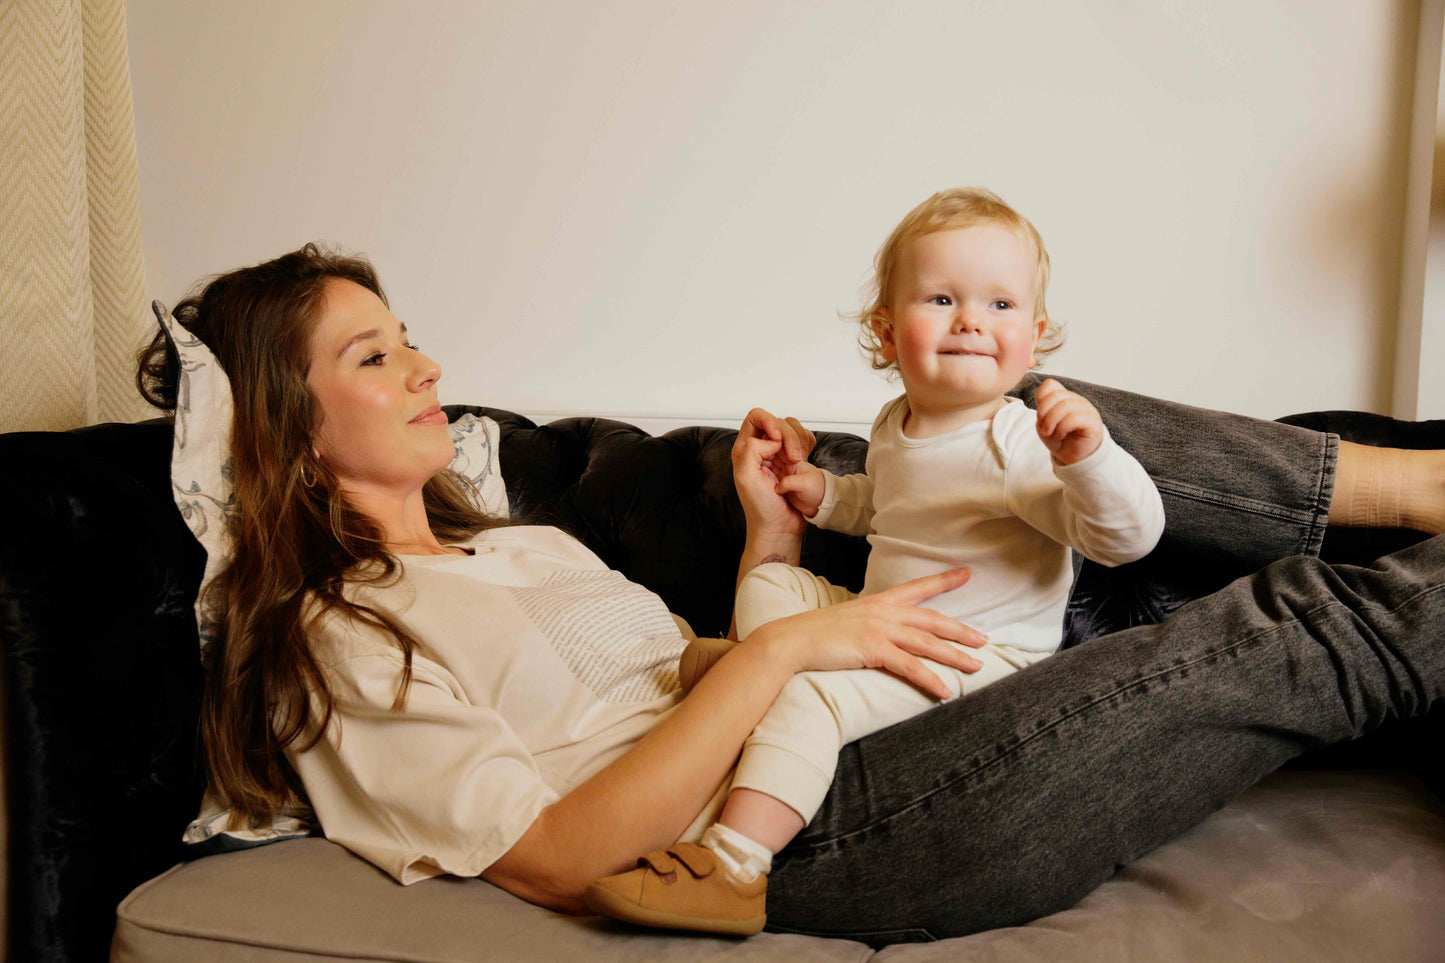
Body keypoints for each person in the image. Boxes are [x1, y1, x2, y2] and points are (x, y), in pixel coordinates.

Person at [136, 242, 1445, 947]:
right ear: (292, 431)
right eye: (376, 353)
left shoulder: (520, 550)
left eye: (407, 330)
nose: (426, 363)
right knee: (1305, 629)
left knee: (1035, 422)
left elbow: (710, 666)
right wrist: (794, 648)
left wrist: (773, 539)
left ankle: (1408, 492)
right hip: (797, 838)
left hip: (868, 723)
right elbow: (550, 857)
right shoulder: (340, 637)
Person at [585, 188, 1166, 935]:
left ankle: (731, 868)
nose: (970, 320)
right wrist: (819, 492)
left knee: (811, 698)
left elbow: (1126, 537)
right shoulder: (896, 425)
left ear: (1035, 335)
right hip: (882, 621)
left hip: (975, 656)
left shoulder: (1017, 443)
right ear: (885, 333)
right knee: (773, 586)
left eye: (999, 305)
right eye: (941, 298)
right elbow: (886, 506)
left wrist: (1090, 459)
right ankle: (742, 669)